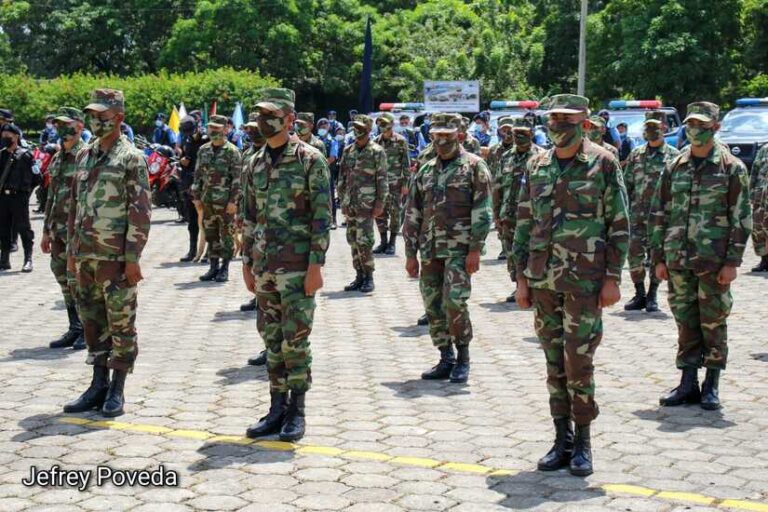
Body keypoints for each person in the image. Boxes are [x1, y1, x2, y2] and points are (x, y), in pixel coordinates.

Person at [513, 94, 629, 476]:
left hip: (585, 281)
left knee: (578, 362)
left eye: (566, 117)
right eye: (553, 118)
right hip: (543, 280)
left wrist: (612, 278)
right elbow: (524, 223)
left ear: (584, 121)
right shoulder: (538, 163)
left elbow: (619, 224)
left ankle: (583, 442)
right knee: (553, 362)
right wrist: (521, 279)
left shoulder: (604, 162)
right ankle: (560, 439)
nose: (558, 123)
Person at [241, 87, 331, 442]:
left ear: (290, 119)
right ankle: (276, 408)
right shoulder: (254, 161)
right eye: (260, 115)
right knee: (271, 338)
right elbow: (248, 217)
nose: (264, 121)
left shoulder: (310, 160)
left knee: (295, 340)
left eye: (271, 115)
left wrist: (315, 266)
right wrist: (247, 262)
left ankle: (297, 410)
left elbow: (322, 218)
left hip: (297, 267)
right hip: (264, 265)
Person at [650, 101, 751, 411]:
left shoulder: (732, 167)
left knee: (714, 322)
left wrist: (733, 262)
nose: (695, 131)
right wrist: (659, 258)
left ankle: (711, 384)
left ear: (715, 128)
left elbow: (742, 218)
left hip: (713, 261)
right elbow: (659, 212)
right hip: (678, 260)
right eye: (691, 126)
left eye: (702, 127)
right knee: (686, 322)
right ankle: (687, 382)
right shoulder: (674, 166)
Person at [63, 88, 151, 417]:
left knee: (121, 325)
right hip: (86, 257)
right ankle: (97, 383)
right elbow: (75, 208)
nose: (96, 120)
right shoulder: (84, 155)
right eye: (93, 115)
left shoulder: (131, 158)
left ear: (119, 118)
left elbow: (140, 212)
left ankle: (117, 387)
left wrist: (132, 258)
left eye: (103, 115)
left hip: (115, 260)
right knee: (92, 322)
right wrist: (72, 251)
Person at [403, 113, 492, 384]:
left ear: (460, 136)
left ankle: (463, 357)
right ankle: (445, 356)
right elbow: (413, 212)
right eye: (436, 136)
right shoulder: (425, 170)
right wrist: (410, 254)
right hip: (429, 249)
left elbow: (483, 211)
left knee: (454, 301)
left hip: (459, 249)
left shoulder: (475, 167)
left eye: (447, 136)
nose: (441, 141)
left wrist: (475, 249)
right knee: (432, 305)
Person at [622, 111, 680, 313]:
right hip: (637, 215)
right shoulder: (636, 154)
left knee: (657, 255)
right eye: (648, 128)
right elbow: (627, 184)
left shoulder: (674, 156)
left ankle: (652, 294)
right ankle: (639, 293)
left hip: (660, 218)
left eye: (655, 128)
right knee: (634, 254)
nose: (652, 132)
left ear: (663, 129)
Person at [41, 107, 87, 350]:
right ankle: (75, 326)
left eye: (67, 124)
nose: (62, 129)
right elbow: (51, 196)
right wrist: (46, 230)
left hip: (77, 231)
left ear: (79, 126)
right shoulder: (59, 157)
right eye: (58, 125)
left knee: (77, 279)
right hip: (57, 229)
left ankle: (88, 330)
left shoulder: (86, 156)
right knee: (62, 277)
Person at [338, 114, 388, 293]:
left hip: (367, 204)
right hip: (351, 203)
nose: (356, 130)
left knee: (365, 241)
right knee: (352, 239)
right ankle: (358, 275)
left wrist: (380, 204)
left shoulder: (376, 151)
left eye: (360, 128)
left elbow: (382, 179)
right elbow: (342, 177)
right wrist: (341, 199)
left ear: (368, 130)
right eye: (355, 127)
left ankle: (369, 276)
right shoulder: (348, 150)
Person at [191, 114, 241, 283]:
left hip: (225, 202)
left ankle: (224, 268)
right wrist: (196, 196)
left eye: (217, 129)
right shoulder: (203, 150)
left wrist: (234, 201)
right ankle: (213, 267)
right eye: (211, 128)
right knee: (211, 234)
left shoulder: (232, 152)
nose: (213, 132)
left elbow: (237, 179)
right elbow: (197, 175)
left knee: (226, 235)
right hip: (207, 201)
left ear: (225, 130)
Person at [497, 117, 542, 302]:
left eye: (523, 133)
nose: (519, 137)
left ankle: (534, 287)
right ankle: (518, 286)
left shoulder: (541, 156)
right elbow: (498, 186)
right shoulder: (506, 157)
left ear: (531, 134)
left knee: (533, 251)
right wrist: (497, 213)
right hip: (508, 214)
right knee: (512, 252)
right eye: (516, 133)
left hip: (532, 215)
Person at [0, 123, 39, 272]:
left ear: (16, 136)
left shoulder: (26, 155)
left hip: (19, 198)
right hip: (3, 198)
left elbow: (37, 177)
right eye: (3, 135)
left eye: (7, 135)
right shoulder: (2, 154)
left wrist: (25, 193)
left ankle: (28, 259)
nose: (4, 138)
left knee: (23, 228)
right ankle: (4, 260)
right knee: (3, 228)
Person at [373, 113, 410, 256]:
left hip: (396, 183)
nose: (383, 129)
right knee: (380, 212)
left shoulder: (401, 141)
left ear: (391, 125)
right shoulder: (376, 142)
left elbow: (406, 164)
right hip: (380, 184)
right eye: (381, 125)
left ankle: (392, 242)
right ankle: (383, 241)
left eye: (386, 125)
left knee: (395, 212)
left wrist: (406, 183)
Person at [177, 115, 209, 262]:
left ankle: (209, 251)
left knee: (208, 219)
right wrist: (182, 160)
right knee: (192, 220)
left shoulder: (205, 138)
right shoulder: (186, 139)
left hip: (204, 184)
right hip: (189, 183)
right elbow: (185, 157)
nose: (188, 134)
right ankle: (192, 250)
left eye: (190, 131)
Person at [486, 116, 518, 262]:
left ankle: (515, 248)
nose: (507, 133)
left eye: (509, 130)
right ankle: (505, 248)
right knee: (500, 219)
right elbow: (488, 170)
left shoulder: (520, 148)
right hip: (498, 190)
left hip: (516, 190)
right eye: (504, 130)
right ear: (499, 131)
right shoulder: (493, 151)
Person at [748, 143, 768, 271]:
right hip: (761, 197)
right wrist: (750, 193)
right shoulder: (765, 149)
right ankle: (764, 260)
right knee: (758, 228)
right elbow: (755, 171)